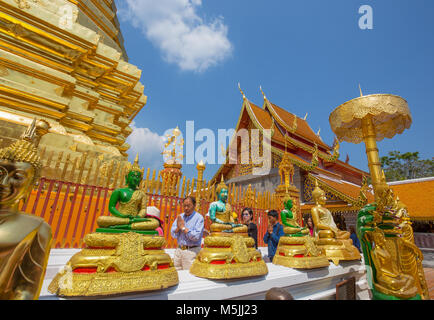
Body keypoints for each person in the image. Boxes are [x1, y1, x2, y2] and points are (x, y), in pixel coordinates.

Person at [170, 196, 204, 270]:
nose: (186, 208)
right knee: (176, 273)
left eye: (188, 206)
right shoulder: (180, 217)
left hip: (191, 252)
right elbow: (173, 234)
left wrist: (183, 228)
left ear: (194, 206)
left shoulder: (199, 218)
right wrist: (178, 228)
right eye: (184, 206)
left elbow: (196, 236)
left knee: (189, 275)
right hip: (179, 250)